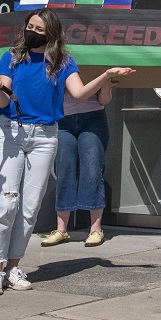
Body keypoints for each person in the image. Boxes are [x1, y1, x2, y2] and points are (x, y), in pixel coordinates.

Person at [0, 9, 134, 297]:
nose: (33, 33)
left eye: (39, 30)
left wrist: (105, 76)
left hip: (45, 136)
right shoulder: (12, 58)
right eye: (30, 27)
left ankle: (13, 267)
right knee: (6, 204)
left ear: (51, 35)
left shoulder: (63, 62)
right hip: (10, 132)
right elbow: (3, 98)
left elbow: (78, 94)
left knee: (29, 209)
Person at [39, 76, 117, 248]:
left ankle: (95, 230)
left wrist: (106, 84)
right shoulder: (58, 62)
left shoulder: (96, 61)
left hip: (93, 118)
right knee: (64, 170)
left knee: (92, 170)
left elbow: (104, 100)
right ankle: (61, 230)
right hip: (63, 119)